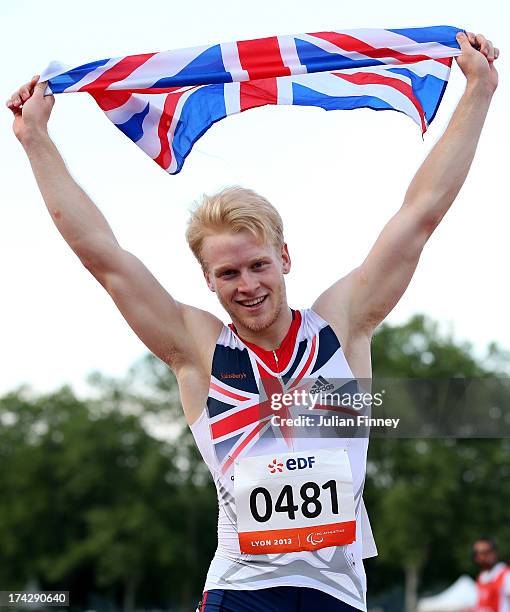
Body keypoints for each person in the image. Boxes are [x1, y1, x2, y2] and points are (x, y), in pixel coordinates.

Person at [7, 30, 499, 612]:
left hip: (336, 593)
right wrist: (35, 139)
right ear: (207, 281)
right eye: (228, 274)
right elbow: (104, 258)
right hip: (241, 589)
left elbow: (420, 215)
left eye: (259, 266)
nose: (248, 286)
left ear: (284, 259)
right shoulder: (197, 347)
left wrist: (478, 93)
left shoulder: (341, 324)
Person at [469, 538, 510, 612]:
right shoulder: (481, 578)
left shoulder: (506, 575)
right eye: (480, 553)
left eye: (487, 551)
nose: (485, 556)